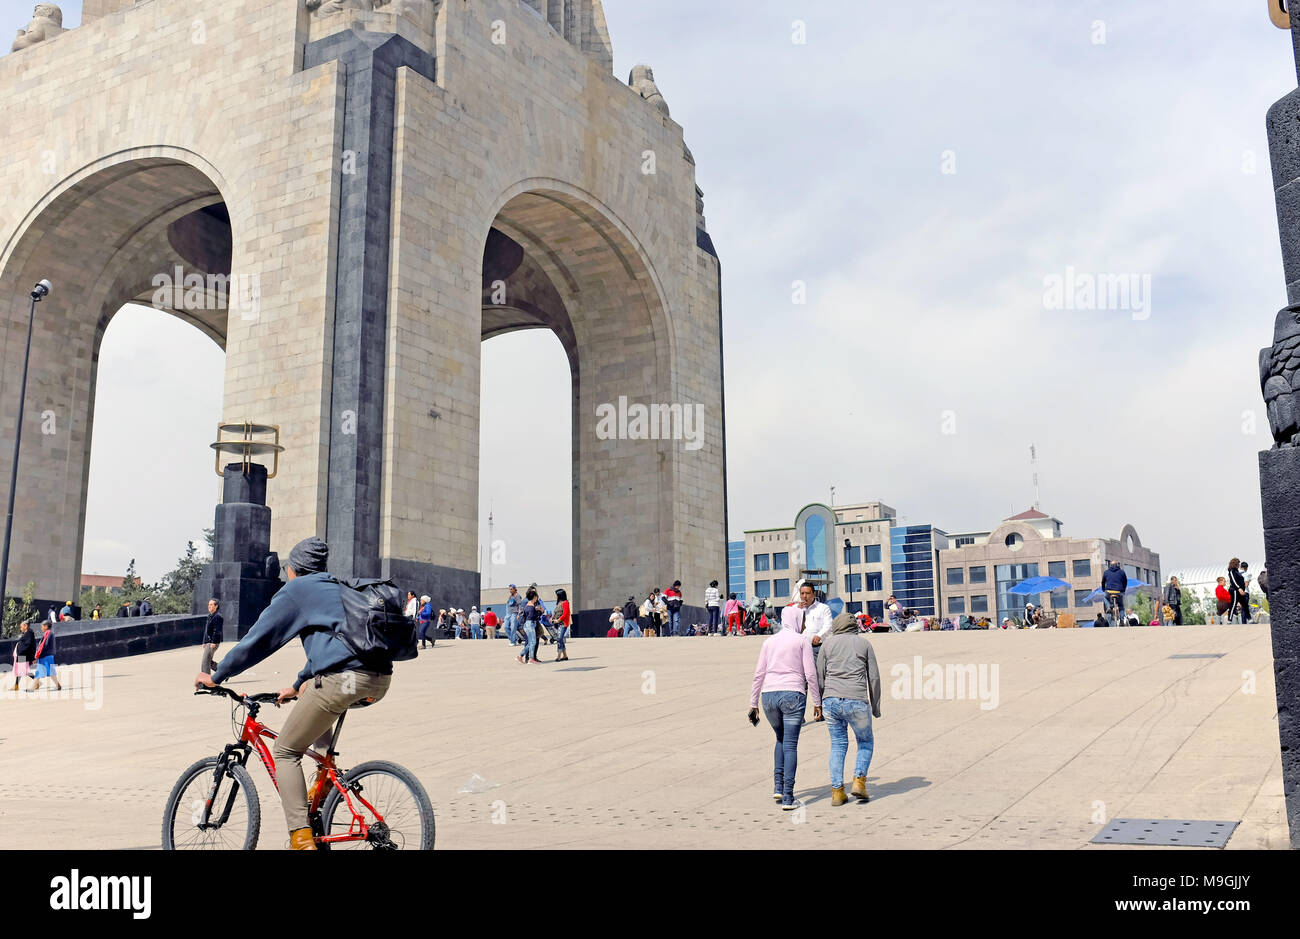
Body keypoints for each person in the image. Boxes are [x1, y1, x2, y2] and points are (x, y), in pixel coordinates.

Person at [196, 536, 393, 851]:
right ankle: (327, 781)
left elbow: (258, 640)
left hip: (341, 679)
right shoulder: (337, 586)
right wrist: (297, 683)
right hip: (377, 678)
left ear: (293, 569)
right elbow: (328, 647)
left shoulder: (297, 590)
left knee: (286, 751)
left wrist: (217, 676)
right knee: (314, 704)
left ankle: (301, 840)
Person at [749, 605, 822, 811]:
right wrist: (817, 701)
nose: (804, 624)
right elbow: (810, 674)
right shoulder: (802, 641)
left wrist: (753, 703)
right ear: (798, 619)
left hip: (769, 697)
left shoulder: (768, 641)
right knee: (790, 745)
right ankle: (789, 797)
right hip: (792, 695)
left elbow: (758, 674)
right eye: (803, 620)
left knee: (780, 739)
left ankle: (778, 787)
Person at [817, 611, 881, 805]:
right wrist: (876, 706)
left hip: (831, 701)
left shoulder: (827, 644)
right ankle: (859, 782)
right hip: (857, 700)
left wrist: (821, 701)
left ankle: (837, 792)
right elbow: (874, 678)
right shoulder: (864, 644)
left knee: (838, 745)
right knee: (865, 742)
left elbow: (820, 675)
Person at [795, 581, 834, 652]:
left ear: (814, 594)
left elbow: (828, 626)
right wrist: (796, 610)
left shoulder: (823, 608)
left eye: (807, 593)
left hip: (816, 647)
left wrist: (819, 635)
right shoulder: (796, 608)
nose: (804, 596)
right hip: (798, 647)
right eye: (802, 593)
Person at [30, 621, 61, 691]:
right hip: (48, 656)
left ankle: (32, 688)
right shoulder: (51, 633)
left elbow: (43, 645)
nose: (41, 628)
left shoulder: (48, 633)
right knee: (51, 671)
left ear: (46, 626)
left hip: (45, 656)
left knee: (39, 672)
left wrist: (36, 656)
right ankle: (58, 685)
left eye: (42, 626)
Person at [517, 589, 541, 664]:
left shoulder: (527, 605)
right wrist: (539, 611)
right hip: (530, 624)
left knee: (530, 642)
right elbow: (532, 617)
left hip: (526, 625)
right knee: (533, 642)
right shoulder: (531, 607)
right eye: (536, 596)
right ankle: (531, 658)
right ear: (534, 597)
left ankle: (521, 656)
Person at [10, 621, 36, 691]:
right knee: (20, 670)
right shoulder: (27, 633)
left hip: (23, 655)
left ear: (25, 626)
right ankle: (16, 686)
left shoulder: (29, 633)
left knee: (25, 670)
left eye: (21, 627)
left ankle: (37, 681)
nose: (21, 629)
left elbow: (29, 645)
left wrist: (21, 650)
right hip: (21, 655)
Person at [200, 598, 223, 674]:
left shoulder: (218, 617)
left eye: (211, 605)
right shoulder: (210, 616)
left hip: (213, 642)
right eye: (208, 604)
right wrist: (204, 641)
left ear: (216, 606)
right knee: (208, 661)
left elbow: (217, 630)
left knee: (205, 661)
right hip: (208, 642)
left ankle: (206, 679)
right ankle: (223, 672)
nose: (209, 606)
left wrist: (214, 642)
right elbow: (207, 630)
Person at [1101, 561, 1128, 626]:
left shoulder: (1106, 572)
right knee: (1121, 606)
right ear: (1117, 565)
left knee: (1105, 598)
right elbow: (1125, 582)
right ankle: (1122, 620)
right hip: (1119, 592)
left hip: (1109, 591)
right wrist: (1123, 590)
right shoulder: (1122, 572)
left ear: (1110, 565)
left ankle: (1109, 607)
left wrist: (1103, 589)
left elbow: (1103, 582)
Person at [553, 588, 571, 662]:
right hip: (558, 623)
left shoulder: (565, 603)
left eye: (557, 595)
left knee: (559, 639)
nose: (556, 597)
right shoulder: (559, 603)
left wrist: (558, 620)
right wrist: (552, 618)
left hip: (563, 623)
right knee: (560, 639)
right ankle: (565, 655)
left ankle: (559, 655)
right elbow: (555, 613)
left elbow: (565, 614)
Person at [1228, 558, 1248, 624]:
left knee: (1244, 605)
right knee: (1233, 605)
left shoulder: (1236, 571)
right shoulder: (1232, 571)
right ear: (1235, 564)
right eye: (1238, 563)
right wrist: (1239, 588)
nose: (1239, 565)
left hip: (1238, 591)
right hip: (1234, 590)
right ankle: (1229, 620)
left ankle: (1249, 619)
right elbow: (1233, 581)